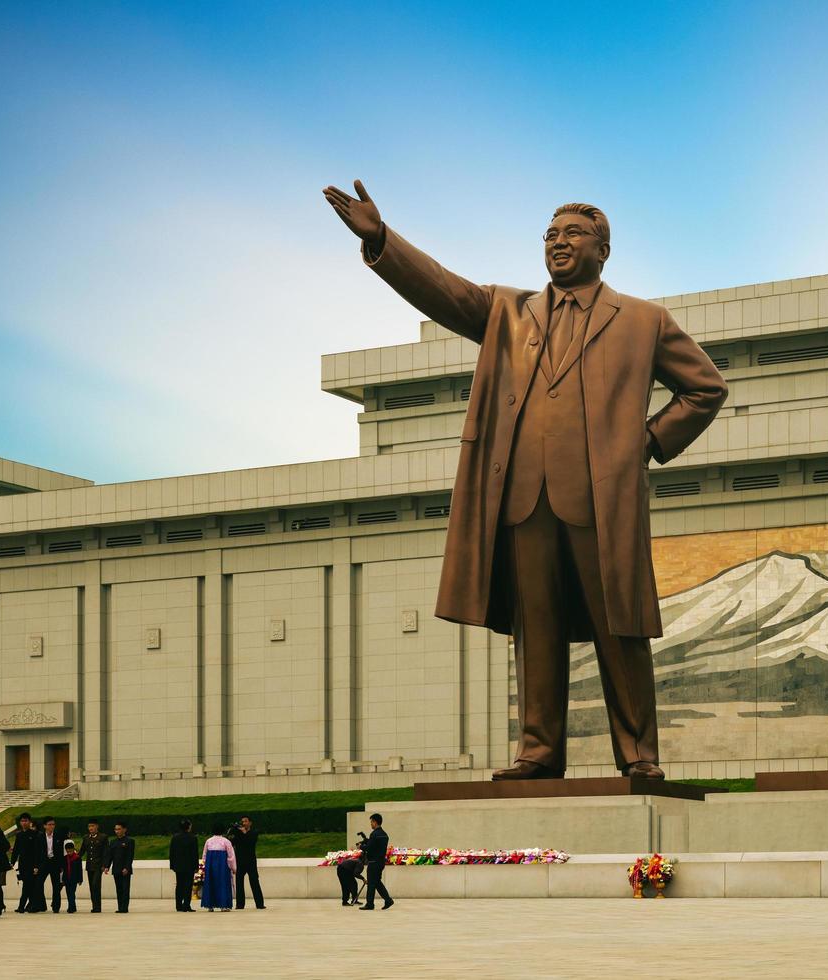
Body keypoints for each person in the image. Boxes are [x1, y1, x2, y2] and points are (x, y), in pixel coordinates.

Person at [324, 184, 727, 781]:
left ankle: (638, 754)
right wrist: (382, 240)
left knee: (621, 626)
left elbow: (706, 388)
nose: (558, 242)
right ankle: (538, 752)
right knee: (534, 631)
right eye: (550, 234)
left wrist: (643, 443)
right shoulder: (507, 312)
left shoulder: (644, 320)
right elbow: (443, 290)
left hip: (600, 499)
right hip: (522, 499)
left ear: (603, 249)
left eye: (572, 234)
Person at [11, 812, 47, 912]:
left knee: (29, 885)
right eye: (22, 821)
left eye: (26, 821)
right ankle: (30, 906)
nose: (24, 823)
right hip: (23, 864)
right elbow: (16, 850)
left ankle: (24, 906)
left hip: (33, 864)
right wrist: (12, 862)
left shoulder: (35, 834)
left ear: (30, 822)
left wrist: (36, 865)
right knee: (28, 885)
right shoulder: (19, 835)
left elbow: (37, 851)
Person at [229, 816, 265, 910]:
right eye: (242, 821)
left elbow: (251, 842)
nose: (243, 823)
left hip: (250, 861)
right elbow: (231, 843)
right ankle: (240, 904)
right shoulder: (238, 833)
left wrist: (245, 833)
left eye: (245, 821)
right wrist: (233, 832)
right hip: (240, 861)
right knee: (239, 883)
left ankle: (260, 904)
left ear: (250, 823)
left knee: (254, 882)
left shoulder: (254, 833)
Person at [359, 814, 393, 911]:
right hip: (381, 862)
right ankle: (388, 900)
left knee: (371, 883)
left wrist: (360, 846)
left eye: (371, 822)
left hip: (373, 862)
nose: (371, 824)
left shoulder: (374, 834)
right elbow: (375, 845)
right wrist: (367, 841)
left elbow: (369, 848)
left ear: (375, 822)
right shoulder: (384, 834)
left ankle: (370, 904)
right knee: (377, 882)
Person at [200, 823, 236, 911]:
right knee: (223, 884)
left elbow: (204, 855)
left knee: (210, 884)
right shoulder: (226, 841)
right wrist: (233, 868)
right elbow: (231, 857)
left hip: (211, 866)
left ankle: (210, 906)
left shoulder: (208, 841)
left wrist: (206, 865)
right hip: (222, 867)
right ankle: (223, 906)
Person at [103, 821, 135, 913]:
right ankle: (120, 907)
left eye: (119, 829)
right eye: (115, 829)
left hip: (125, 869)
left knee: (125, 889)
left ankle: (124, 908)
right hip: (116, 868)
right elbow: (110, 856)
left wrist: (127, 867)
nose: (117, 831)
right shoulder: (113, 842)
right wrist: (107, 866)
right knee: (119, 889)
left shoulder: (130, 841)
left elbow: (130, 856)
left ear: (124, 829)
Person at [169, 819, 199, 912]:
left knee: (179, 885)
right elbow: (195, 854)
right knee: (188, 886)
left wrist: (172, 865)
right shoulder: (193, 838)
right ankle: (186, 905)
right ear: (189, 827)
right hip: (189, 866)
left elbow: (172, 853)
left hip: (178, 866)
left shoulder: (175, 838)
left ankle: (178, 905)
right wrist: (196, 866)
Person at [80, 818, 109, 913]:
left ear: (97, 826)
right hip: (89, 866)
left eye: (92, 826)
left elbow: (105, 852)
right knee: (91, 887)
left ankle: (98, 906)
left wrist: (105, 865)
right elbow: (82, 851)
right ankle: (94, 906)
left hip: (98, 866)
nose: (91, 828)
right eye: (89, 826)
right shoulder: (86, 838)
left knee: (95, 884)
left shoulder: (103, 837)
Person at [41, 816, 67, 913]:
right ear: (45, 826)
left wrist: (62, 865)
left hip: (55, 863)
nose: (52, 826)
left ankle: (56, 906)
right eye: (49, 824)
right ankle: (40, 904)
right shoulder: (40, 836)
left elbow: (62, 852)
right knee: (38, 883)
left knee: (56, 886)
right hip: (44, 862)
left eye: (53, 824)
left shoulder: (59, 836)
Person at [62, 840, 82, 913]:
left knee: (72, 893)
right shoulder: (65, 858)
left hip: (74, 879)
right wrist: (63, 880)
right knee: (68, 893)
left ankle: (71, 907)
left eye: (70, 851)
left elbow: (80, 870)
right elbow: (64, 870)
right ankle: (73, 907)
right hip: (67, 879)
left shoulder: (77, 858)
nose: (69, 853)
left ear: (73, 850)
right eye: (67, 851)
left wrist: (80, 879)